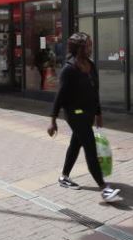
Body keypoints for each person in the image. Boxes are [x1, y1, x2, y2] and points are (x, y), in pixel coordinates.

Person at [47, 32, 121, 203]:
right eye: (88, 46)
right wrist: (53, 120)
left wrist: (98, 113)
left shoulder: (91, 65)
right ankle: (104, 188)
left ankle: (64, 176)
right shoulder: (69, 69)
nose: (90, 48)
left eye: (90, 45)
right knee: (90, 148)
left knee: (76, 144)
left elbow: (95, 91)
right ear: (79, 48)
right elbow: (60, 96)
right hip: (75, 114)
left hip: (88, 113)